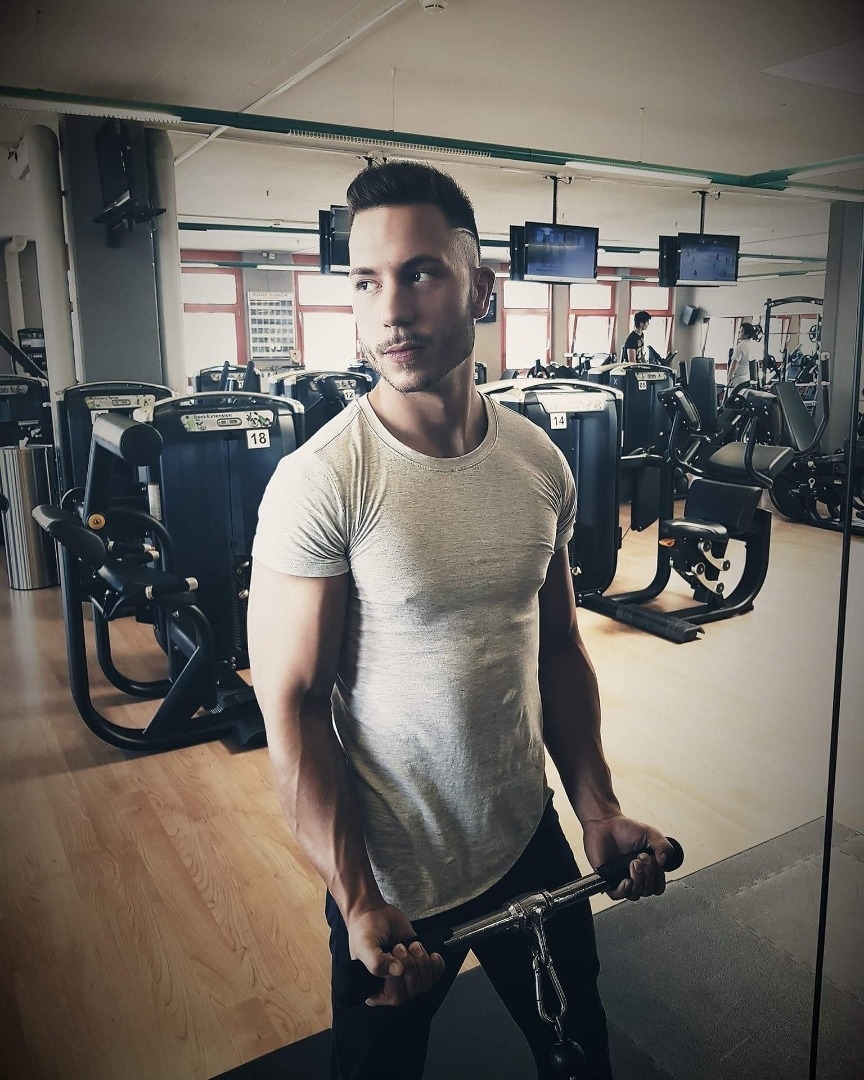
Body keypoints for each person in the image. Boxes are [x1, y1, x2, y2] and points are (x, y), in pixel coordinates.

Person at [247, 160, 674, 1080]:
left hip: (528, 839)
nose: (391, 310)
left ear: (481, 287)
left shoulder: (539, 463)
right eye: (367, 282)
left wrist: (597, 807)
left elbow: (557, 647)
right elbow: (293, 706)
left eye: (420, 273)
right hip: (393, 888)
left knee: (580, 1054)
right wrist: (356, 897)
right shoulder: (322, 480)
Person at [726, 321, 760, 393]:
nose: (739, 333)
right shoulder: (754, 344)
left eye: (741, 331)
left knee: (733, 399)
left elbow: (733, 367)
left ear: (747, 334)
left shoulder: (740, 347)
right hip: (748, 380)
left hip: (738, 381)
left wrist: (728, 380)